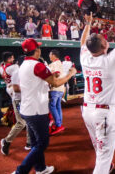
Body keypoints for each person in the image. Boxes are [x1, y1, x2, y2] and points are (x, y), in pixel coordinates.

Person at [79, 0, 115, 174]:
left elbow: (83, 42)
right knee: (104, 156)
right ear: (104, 46)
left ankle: (108, 168)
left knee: (99, 148)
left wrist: (88, 24)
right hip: (103, 113)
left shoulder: (85, 57)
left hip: (87, 110)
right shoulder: (111, 60)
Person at [13, 38, 76, 174]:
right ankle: (20, 171)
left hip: (27, 108)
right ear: (36, 50)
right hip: (36, 110)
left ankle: (40, 168)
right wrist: (70, 74)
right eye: (38, 48)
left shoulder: (24, 64)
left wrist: (51, 75)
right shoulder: (37, 65)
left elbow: (38, 79)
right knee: (42, 143)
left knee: (36, 143)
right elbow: (56, 83)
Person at [0, 54, 31, 155]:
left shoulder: (4, 67)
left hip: (24, 98)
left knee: (30, 121)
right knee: (21, 123)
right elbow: (17, 88)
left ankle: (29, 143)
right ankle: (6, 141)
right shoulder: (17, 70)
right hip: (18, 99)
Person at [48, 49, 65, 135]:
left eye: (50, 55)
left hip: (55, 88)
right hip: (61, 88)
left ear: (53, 55)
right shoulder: (60, 63)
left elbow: (57, 74)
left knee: (52, 107)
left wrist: (50, 78)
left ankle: (58, 125)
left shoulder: (55, 63)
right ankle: (59, 124)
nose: (49, 56)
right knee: (57, 107)